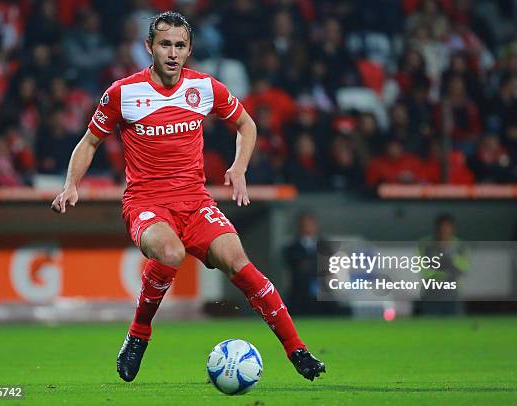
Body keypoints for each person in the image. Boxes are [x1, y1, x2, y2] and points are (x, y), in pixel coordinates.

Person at [50, 11, 325, 383]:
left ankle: (298, 351)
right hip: (146, 203)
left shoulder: (205, 88)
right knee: (171, 253)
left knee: (240, 264)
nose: (173, 53)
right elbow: (89, 142)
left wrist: (239, 166)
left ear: (190, 49)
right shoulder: (123, 93)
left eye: (180, 45)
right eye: (165, 44)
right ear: (149, 47)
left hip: (196, 203)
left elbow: (246, 124)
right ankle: (138, 335)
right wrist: (71, 184)